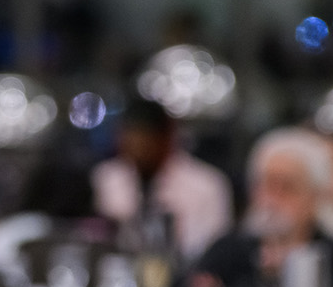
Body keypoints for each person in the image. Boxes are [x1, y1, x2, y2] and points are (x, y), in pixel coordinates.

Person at [185, 127, 333, 287]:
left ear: (316, 196)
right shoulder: (229, 249)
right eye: (267, 184)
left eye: (287, 187)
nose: (272, 199)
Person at [91, 99, 232, 260]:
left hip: (184, 276)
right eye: (130, 141)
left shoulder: (208, 185)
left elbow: (214, 254)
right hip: (121, 277)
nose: (138, 150)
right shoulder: (108, 178)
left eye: (146, 142)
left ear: (167, 138)